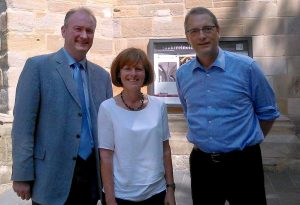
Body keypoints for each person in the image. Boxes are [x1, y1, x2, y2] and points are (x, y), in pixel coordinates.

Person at [176, 7, 280, 205]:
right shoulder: (183, 74)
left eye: (207, 28)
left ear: (218, 30)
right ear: (187, 37)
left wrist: (246, 141)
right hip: (202, 165)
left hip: (243, 164)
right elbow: (189, 111)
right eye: (194, 31)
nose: (202, 36)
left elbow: (268, 112)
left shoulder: (247, 67)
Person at [11, 7, 113, 205]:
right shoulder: (37, 67)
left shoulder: (102, 76)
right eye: (78, 29)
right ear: (63, 31)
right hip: (50, 176)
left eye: (89, 31)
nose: (84, 35)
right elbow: (23, 127)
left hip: (91, 174)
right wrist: (22, 174)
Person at [98, 47, 176, 205]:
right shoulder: (107, 108)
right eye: (127, 68)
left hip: (156, 192)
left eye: (138, 69)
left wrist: (170, 189)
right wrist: (110, 199)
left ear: (145, 73)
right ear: (119, 73)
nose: (133, 74)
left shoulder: (158, 106)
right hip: (121, 195)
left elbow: (165, 149)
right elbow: (105, 157)